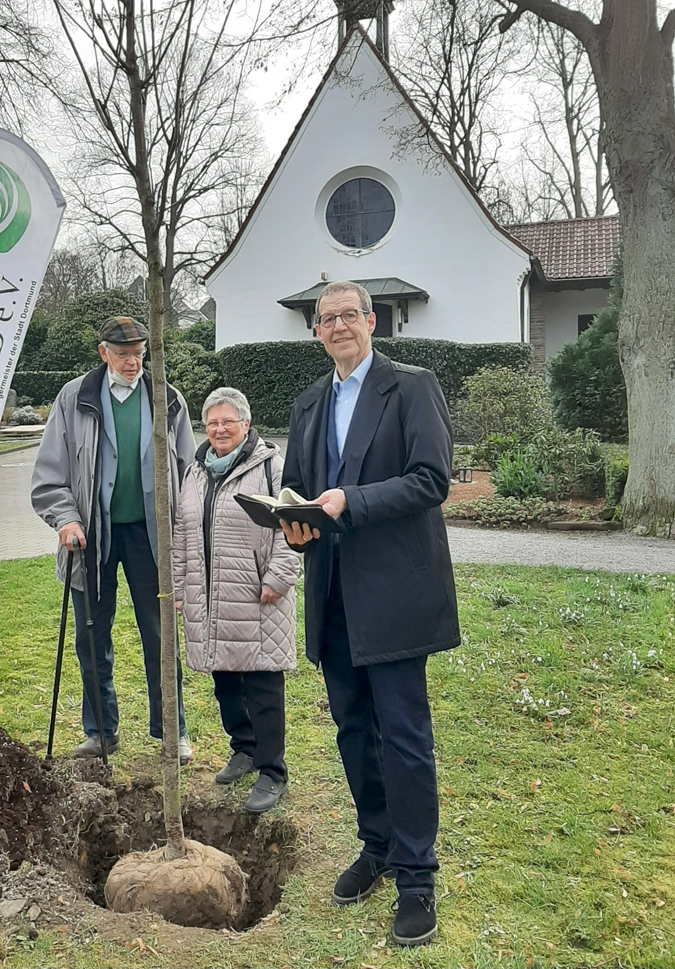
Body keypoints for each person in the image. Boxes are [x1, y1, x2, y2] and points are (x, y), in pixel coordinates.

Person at [280, 281, 459, 947]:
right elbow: (299, 491)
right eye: (325, 320)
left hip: (395, 596)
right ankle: (377, 845)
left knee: (404, 738)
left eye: (347, 316)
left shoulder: (411, 387)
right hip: (332, 596)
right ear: (317, 332)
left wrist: (350, 501)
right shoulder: (306, 405)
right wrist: (293, 525)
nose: (337, 327)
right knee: (354, 730)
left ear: (371, 321)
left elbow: (430, 479)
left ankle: (417, 878)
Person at [31, 316, 196, 762]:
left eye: (139, 353)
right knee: (91, 637)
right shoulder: (75, 397)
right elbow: (49, 475)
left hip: (150, 534)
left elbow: (187, 471)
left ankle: (171, 731)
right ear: (103, 353)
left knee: (160, 636)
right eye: (123, 353)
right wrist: (65, 519)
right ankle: (100, 731)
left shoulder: (168, 398)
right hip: (91, 536)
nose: (132, 361)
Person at [173, 387, 299, 813]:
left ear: (246, 424)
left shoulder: (271, 467)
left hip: (256, 591)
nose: (220, 429)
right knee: (224, 677)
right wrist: (178, 583)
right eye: (212, 423)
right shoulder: (195, 471)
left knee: (262, 680)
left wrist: (279, 577)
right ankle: (244, 749)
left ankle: (272, 770)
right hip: (208, 594)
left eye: (228, 421)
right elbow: (182, 530)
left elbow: (291, 524)